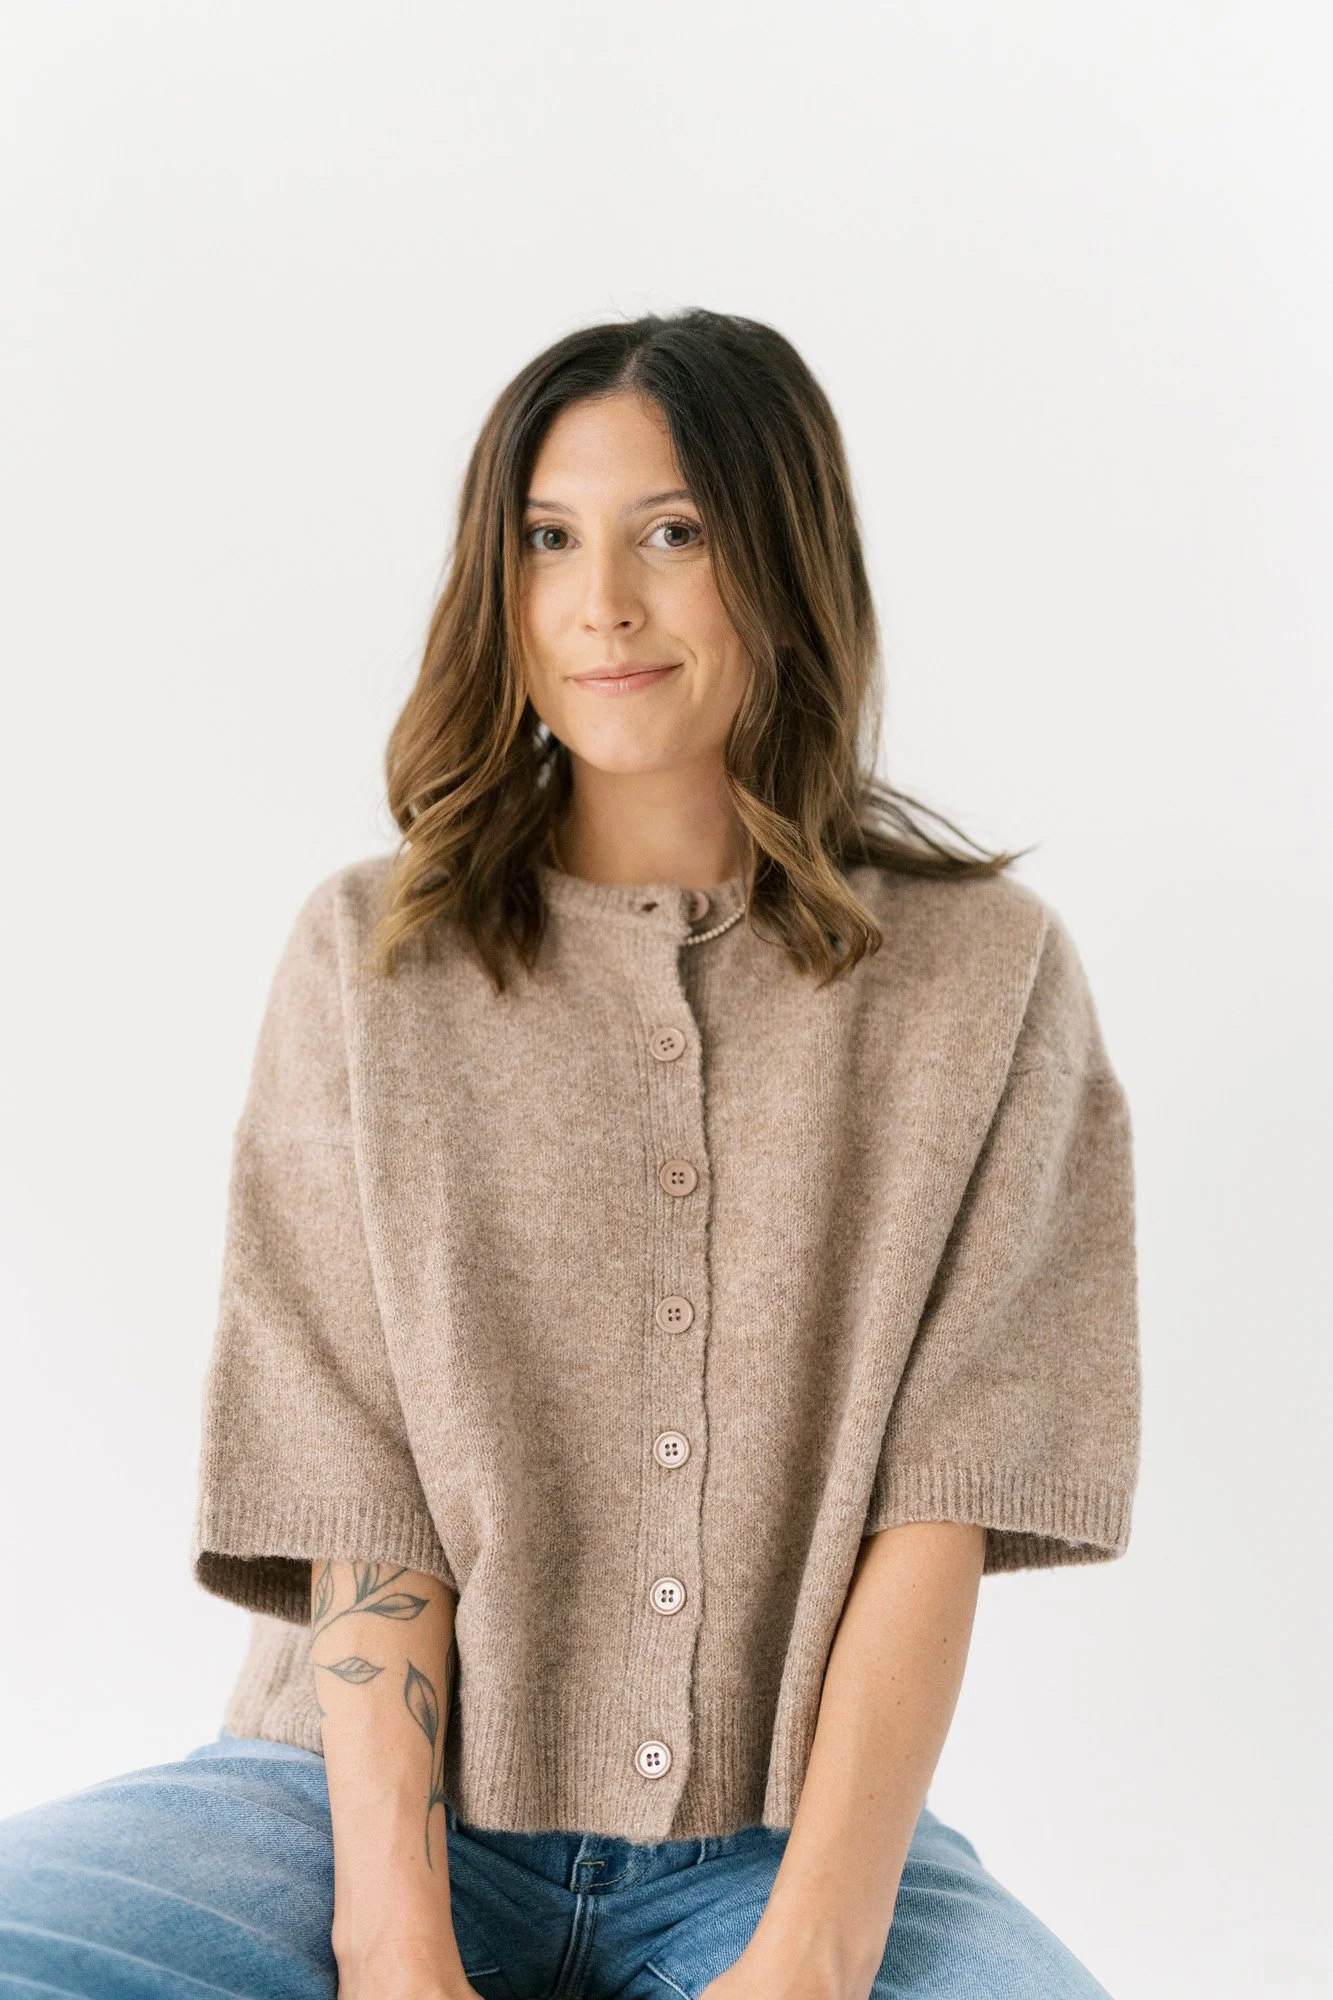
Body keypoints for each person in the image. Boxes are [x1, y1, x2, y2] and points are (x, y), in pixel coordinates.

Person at [0, 309, 1141, 2000]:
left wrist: (813, 1953)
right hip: (337, 1809)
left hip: (778, 1846)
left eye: (671, 534)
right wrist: (394, 1940)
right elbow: (348, 1469)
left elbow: (945, 1506)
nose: (600, 600)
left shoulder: (986, 979)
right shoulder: (371, 957)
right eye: (548, 539)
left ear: (784, 556)